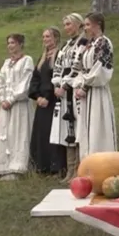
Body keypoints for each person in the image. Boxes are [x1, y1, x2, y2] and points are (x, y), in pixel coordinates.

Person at [71, 12, 118, 159]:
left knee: (98, 125)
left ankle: (103, 161)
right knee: (86, 126)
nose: (85, 28)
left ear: (97, 24)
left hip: (96, 91)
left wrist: (85, 86)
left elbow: (99, 69)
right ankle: (87, 161)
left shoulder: (104, 43)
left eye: (88, 25)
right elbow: (78, 67)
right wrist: (78, 84)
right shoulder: (89, 45)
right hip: (85, 91)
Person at [0, 34, 35, 180]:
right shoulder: (6, 63)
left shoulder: (26, 61)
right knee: (6, 134)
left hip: (19, 104)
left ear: (20, 44)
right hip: (6, 106)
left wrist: (11, 99)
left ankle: (18, 166)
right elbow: (0, 81)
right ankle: (4, 166)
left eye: (13, 43)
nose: (10, 46)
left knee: (19, 133)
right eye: (8, 43)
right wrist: (2, 98)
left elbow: (25, 82)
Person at [51, 13, 85, 179]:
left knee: (77, 128)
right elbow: (58, 66)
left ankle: (79, 169)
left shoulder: (83, 42)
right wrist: (57, 84)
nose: (66, 28)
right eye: (64, 25)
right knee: (67, 128)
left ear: (78, 25)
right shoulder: (65, 46)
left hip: (74, 88)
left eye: (69, 24)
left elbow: (78, 65)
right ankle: (70, 169)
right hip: (64, 92)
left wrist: (65, 85)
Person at [29, 27, 68, 175]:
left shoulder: (59, 55)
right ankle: (42, 164)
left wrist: (48, 96)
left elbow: (58, 77)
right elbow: (36, 78)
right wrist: (37, 96)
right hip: (42, 102)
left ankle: (56, 165)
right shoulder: (43, 57)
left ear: (56, 38)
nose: (45, 39)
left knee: (53, 132)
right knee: (41, 133)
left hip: (53, 101)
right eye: (44, 37)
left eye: (48, 37)